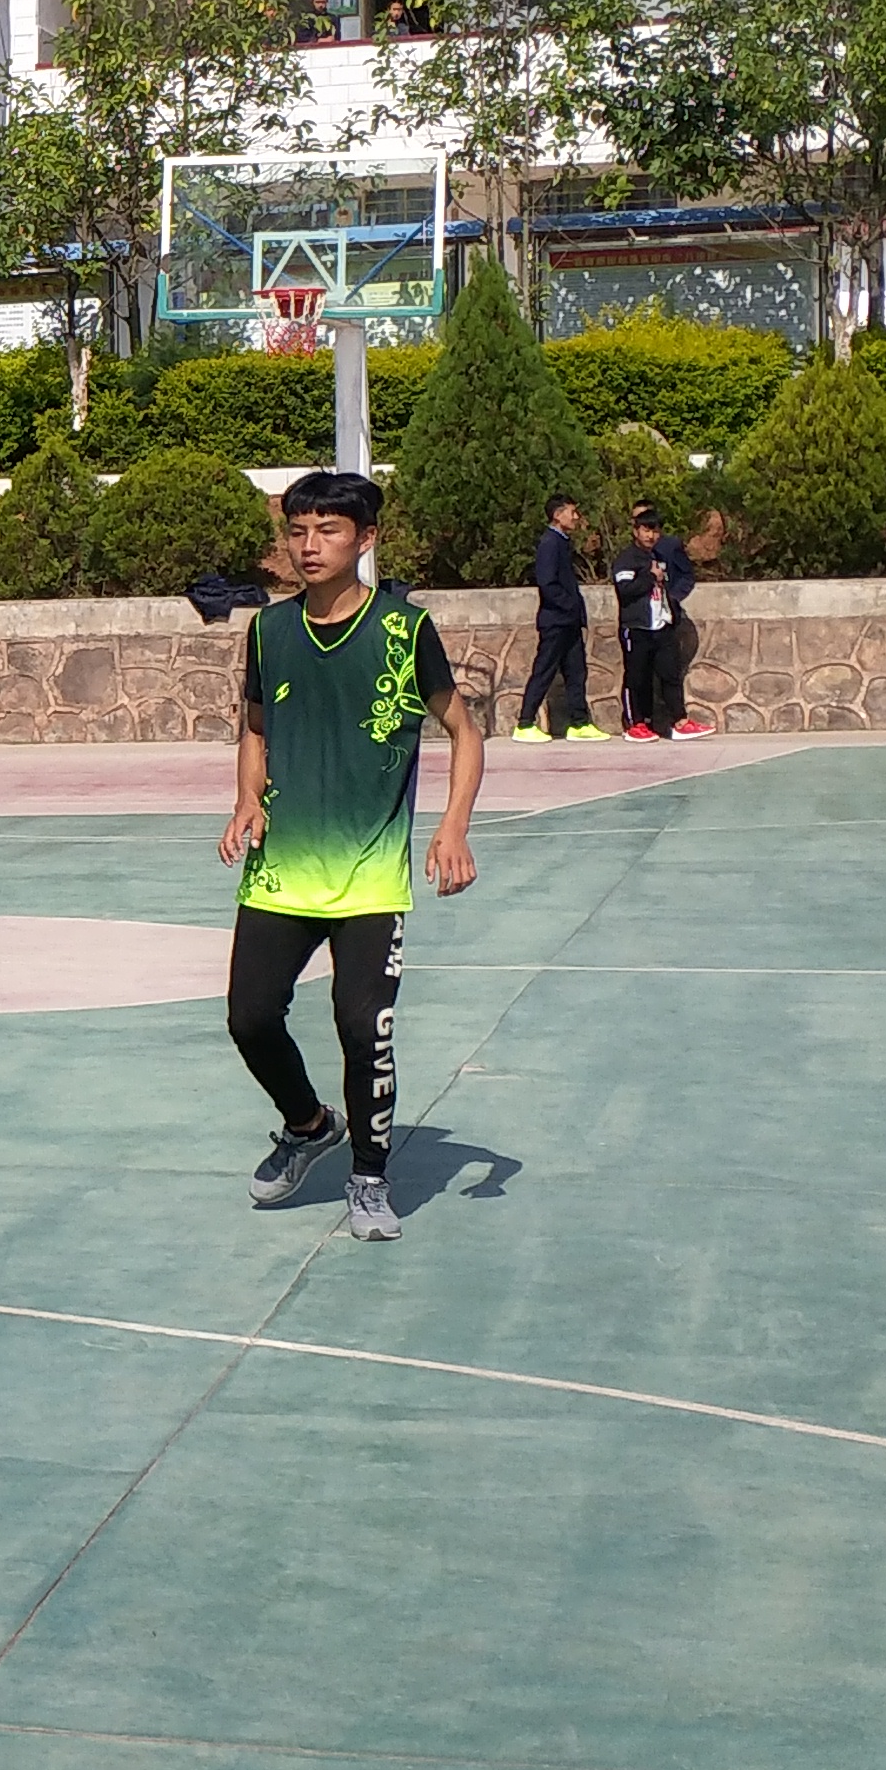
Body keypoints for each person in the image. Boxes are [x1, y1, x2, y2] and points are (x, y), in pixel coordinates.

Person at [222, 468, 485, 1243]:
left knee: (360, 1020)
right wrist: (245, 798)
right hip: (282, 868)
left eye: (328, 530)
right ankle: (308, 1125)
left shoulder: (405, 630)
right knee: (249, 1018)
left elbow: (464, 732)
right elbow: (256, 726)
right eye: (297, 530)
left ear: (365, 539)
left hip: (370, 873)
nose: (309, 545)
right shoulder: (267, 630)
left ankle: (369, 1176)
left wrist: (454, 826)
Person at [515, 495, 603, 741]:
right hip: (555, 622)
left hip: (569, 622)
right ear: (557, 515)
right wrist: (568, 607)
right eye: (571, 512)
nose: (576, 517)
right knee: (543, 670)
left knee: (576, 672)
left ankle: (579, 723)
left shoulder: (563, 543)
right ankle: (524, 724)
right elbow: (547, 583)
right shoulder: (549, 543)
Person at [613, 500, 694, 741]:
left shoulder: (660, 555)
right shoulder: (627, 559)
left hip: (661, 624)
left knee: (670, 674)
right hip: (636, 627)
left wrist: (672, 605)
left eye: (655, 530)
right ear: (636, 531)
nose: (651, 535)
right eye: (646, 530)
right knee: (637, 677)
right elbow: (625, 590)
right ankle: (635, 723)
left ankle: (680, 721)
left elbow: (682, 578)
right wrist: (650, 577)